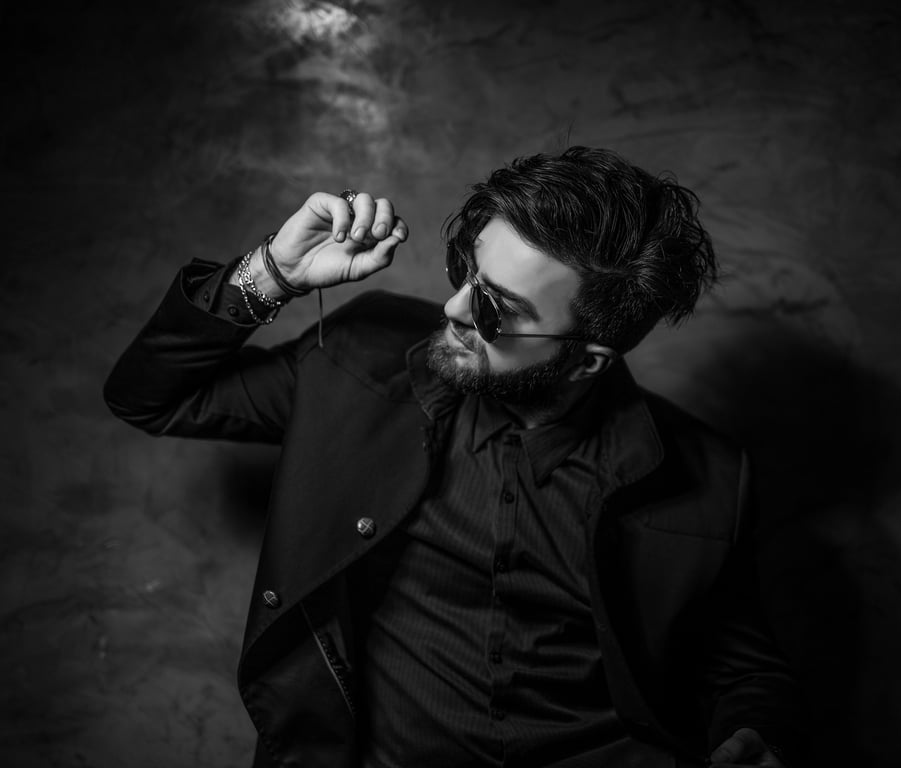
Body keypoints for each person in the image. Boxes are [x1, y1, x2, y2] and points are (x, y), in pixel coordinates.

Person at [104, 147, 804, 768]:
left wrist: (752, 732)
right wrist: (273, 276)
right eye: (464, 268)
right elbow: (151, 398)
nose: (454, 308)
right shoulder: (357, 359)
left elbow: (737, 665)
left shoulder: (708, 478)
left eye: (496, 311)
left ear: (588, 361)